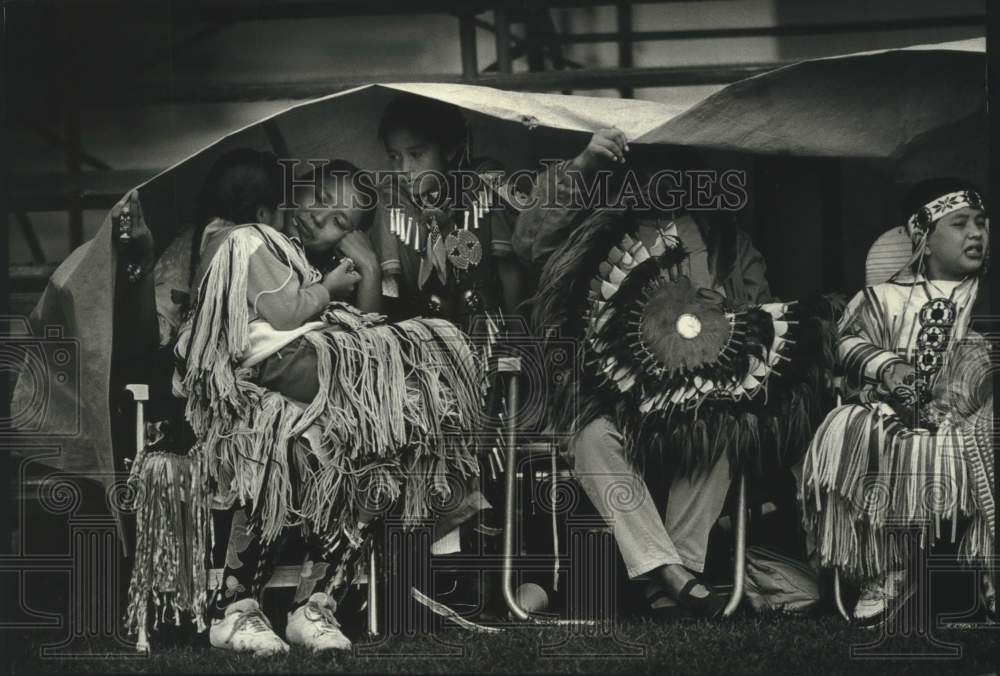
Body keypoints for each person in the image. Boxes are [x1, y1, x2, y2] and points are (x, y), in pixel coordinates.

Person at [172, 148, 483, 654]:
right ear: (284, 198)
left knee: (379, 457)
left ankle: (316, 605)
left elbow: (367, 342)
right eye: (317, 198)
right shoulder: (251, 247)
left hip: (321, 406)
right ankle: (236, 604)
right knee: (280, 447)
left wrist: (362, 263)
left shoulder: (336, 264)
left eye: (342, 220)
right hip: (254, 406)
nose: (320, 217)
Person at [513, 129, 775, 618]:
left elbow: (760, 319)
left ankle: (670, 579)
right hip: (609, 395)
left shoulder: (726, 243)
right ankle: (674, 578)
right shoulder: (595, 232)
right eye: (647, 174)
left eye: (677, 175)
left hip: (700, 394)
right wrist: (586, 164)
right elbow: (530, 240)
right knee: (591, 437)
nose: (662, 186)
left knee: (723, 433)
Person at [799, 178, 994, 626]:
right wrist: (887, 367)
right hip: (899, 425)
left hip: (973, 425)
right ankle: (890, 564)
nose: (977, 234)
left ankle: (988, 570)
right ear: (924, 240)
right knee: (849, 423)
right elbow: (844, 344)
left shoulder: (986, 296)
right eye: (960, 223)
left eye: (982, 223)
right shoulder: (881, 297)